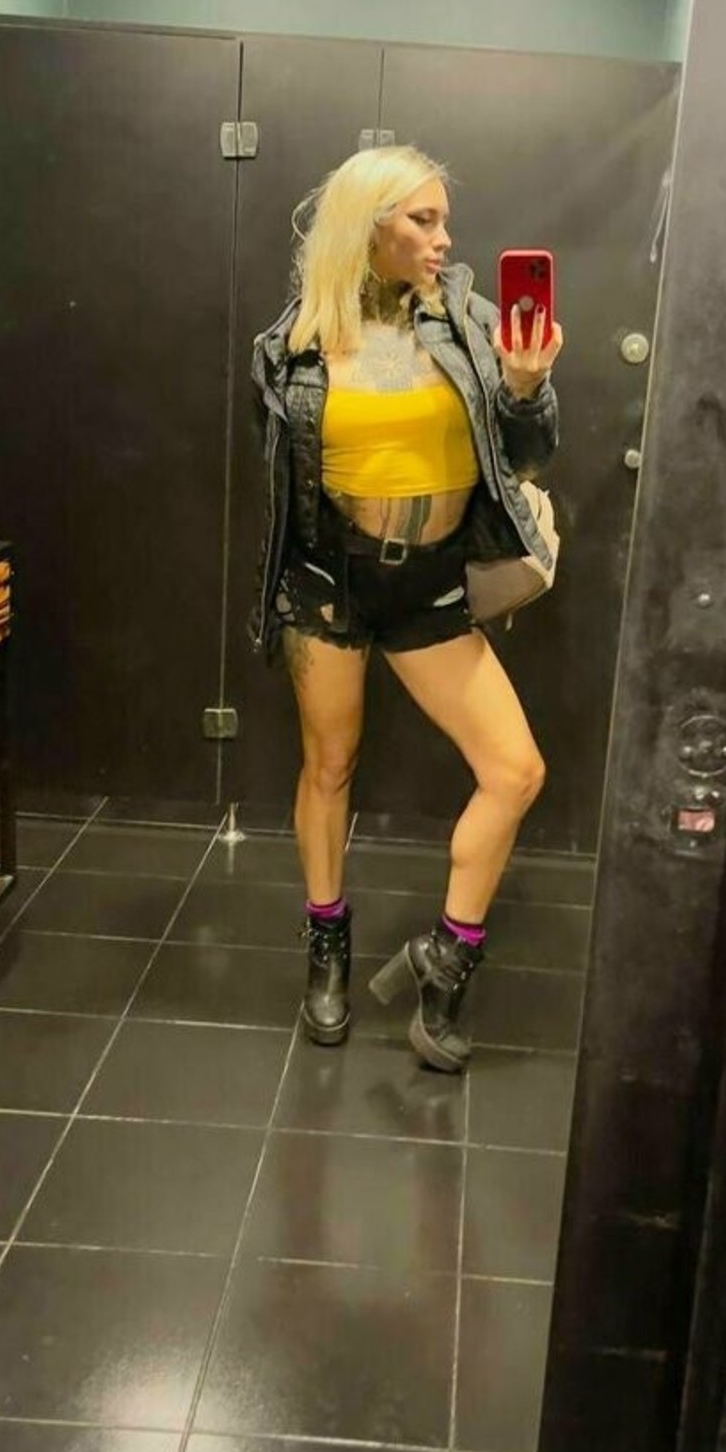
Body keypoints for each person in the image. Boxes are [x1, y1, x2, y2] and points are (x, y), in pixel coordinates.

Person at [250, 144, 563, 1073]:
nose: (443, 238)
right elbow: (284, 486)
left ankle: (446, 962)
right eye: (422, 220)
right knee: (330, 765)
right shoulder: (294, 344)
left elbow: (529, 451)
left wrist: (524, 387)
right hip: (330, 583)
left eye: (443, 219)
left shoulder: (471, 321)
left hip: (430, 586)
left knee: (515, 769)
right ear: (368, 225)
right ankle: (327, 943)